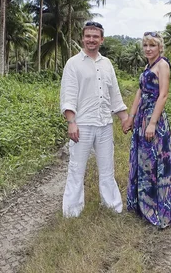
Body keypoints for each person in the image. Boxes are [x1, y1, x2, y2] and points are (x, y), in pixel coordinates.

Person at [60, 21, 130, 218]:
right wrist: (71, 122)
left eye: (95, 36)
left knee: (107, 168)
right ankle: (72, 211)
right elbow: (68, 95)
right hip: (82, 124)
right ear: (83, 38)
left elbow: (114, 94)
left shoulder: (106, 64)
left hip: (105, 124)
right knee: (76, 168)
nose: (91, 40)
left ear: (102, 39)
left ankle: (112, 206)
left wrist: (124, 118)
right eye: (88, 36)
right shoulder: (73, 64)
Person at [122, 31, 171, 228]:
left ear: (160, 47)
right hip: (142, 118)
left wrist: (152, 123)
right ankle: (143, 206)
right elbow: (139, 92)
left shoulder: (162, 65)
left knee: (155, 163)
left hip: (154, 119)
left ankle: (157, 209)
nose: (148, 49)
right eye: (145, 45)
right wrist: (131, 116)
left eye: (152, 45)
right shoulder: (148, 66)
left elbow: (163, 96)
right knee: (143, 161)